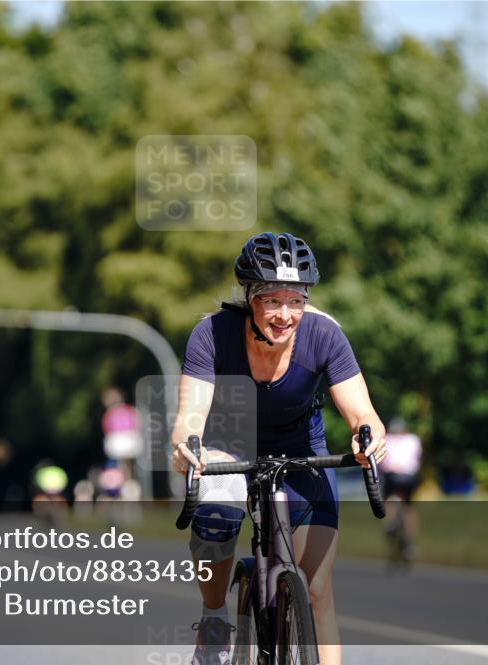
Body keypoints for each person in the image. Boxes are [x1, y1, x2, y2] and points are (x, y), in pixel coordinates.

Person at [171, 232, 387, 665]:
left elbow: (364, 413)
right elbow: (190, 419)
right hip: (230, 448)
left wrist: (368, 438)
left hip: (301, 451)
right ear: (250, 298)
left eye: (296, 301)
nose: (285, 315)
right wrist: (185, 447)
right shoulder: (212, 335)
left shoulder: (324, 336)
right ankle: (214, 619)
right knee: (218, 511)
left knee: (318, 589)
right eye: (272, 300)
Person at [379, 417, 422, 564]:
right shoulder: (413, 439)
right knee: (409, 507)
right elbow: (417, 459)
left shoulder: (387, 439)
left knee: (386, 500)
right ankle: (409, 541)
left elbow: (382, 463)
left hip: (392, 477)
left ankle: (390, 522)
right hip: (410, 478)